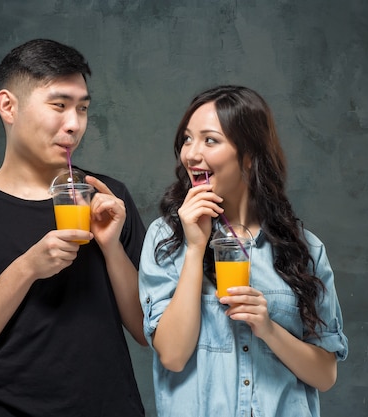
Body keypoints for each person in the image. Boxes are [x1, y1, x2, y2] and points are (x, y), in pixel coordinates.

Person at [0, 39, 147, 416]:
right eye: (59, 106)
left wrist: (110, 247)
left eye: (83, 109)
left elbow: (148, 331)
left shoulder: (108, 199)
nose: (74, 124)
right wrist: (27, 268)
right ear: (8, 106)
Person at [139, 85, 348, 416]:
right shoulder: (167, 238)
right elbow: (172, 355)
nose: (191, 154)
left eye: (210, 140)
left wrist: (268, 328)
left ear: (249, 156)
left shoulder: (305, 249)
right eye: (187, 139)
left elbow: (325, 375)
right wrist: (195, 247)